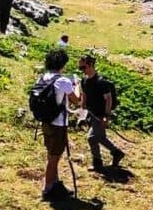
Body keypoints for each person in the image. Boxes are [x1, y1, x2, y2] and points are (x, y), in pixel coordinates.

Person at [39, 48, 81, 201]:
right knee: (54, 157)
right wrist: (76, 84)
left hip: (46, 121)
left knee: (51, 154)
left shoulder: (43, 78)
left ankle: (54, 183)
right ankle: (48, 189)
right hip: (58, 124)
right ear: (62, 64)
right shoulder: (62, 80)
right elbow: (76, 100)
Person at [78, 54, 124, 171]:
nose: (82, 70)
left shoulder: (101, 82)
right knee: (101, 137)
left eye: (84, 67)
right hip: (92, 115)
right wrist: (82, 108)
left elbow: (108, 100)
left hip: (101, 115)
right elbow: (84, 96)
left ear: (91, 65)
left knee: (92, 138)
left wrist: (107, 117)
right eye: (80, 68)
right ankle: (117, 153)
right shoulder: (84, 81)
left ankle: (97, 163)